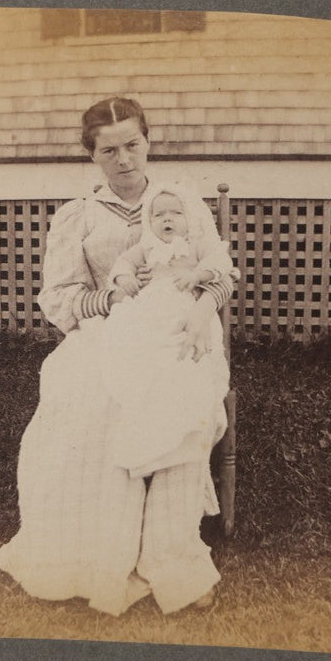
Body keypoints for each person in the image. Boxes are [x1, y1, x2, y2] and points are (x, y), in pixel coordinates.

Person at [0, 97, 235, 615]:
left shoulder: (181, 202)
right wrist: (113, 298)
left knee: (182, 400)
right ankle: (101, 552)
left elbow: (220, 270)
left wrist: (200, 312)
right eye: (109, 151)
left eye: (133, 145)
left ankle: (175, 561)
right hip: (110, 330)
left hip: (181, 330)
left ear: (147, 142)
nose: (124, 159)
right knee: (90, 401)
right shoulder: (79, 217)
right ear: (92, 156)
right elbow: (60, 297)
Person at [99, 186, 235, 478]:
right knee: (132, 336)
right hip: (150, 305)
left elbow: (221, 263)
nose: (167, 219)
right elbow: (123, 262)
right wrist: (124, 277)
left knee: (177, 352)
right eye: (158, 214)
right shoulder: (147, 248)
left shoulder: (195, 245)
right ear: (149, 221)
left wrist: (197, 274)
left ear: (190, 219)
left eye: (175, 213)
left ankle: (174, 431)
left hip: (185, 306)